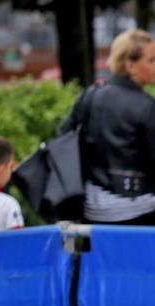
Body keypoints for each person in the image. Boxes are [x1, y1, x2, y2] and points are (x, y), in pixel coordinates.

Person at [58, 29, 155, 225]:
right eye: (151, 60)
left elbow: (63, 138)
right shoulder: (146, 105)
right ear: (130, 65)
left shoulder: (90, 95)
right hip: (138, 209)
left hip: (92, 207)